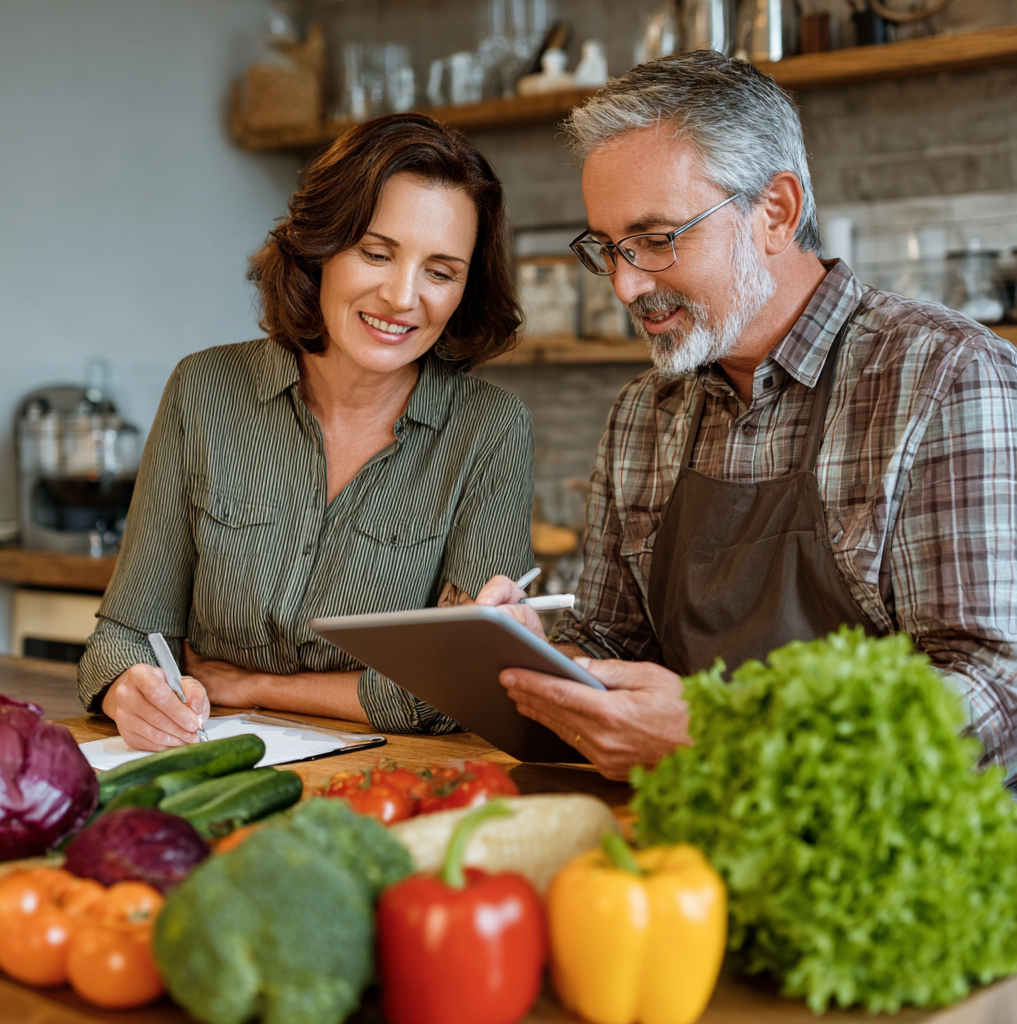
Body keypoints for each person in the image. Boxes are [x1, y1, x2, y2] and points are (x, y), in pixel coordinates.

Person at [477, 51, 1017, 783]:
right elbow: (612, 644)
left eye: (658, 238)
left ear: (776, 212)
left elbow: (990, 687)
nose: (628, 284)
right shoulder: (644, 413)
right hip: (687, 850)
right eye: (609, 249)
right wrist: (539, 659)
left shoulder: (946, 376)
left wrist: (731, 738)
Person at [78, 113, 535, 751]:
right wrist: (129, 688)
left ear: (467, 288)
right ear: (319, 247)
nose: (404, 298)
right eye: (376, 253)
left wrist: (254, 687)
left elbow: (461, 685)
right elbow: (123, 638)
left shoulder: (489, 430)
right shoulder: (205, 392)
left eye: (441, 271)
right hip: (213, 769)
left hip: (383, 790)